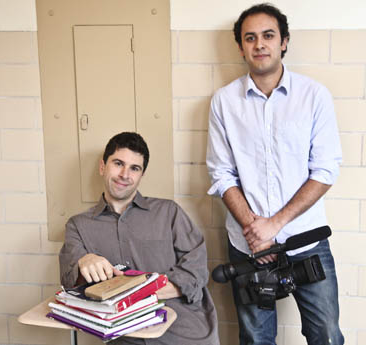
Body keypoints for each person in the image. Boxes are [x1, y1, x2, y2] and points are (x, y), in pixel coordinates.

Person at [206, 3, 344, 345]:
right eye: (249, 38)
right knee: (255, 339)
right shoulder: (224, 102)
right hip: (248, 246)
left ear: (284, 41)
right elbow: (221, 173)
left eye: (268, 35)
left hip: (305, 241)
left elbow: (325, 169)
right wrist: (256, 232)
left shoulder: (314, 97)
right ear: (240, 46)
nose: (259, 45)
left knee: (326, 336)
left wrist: (274, 225)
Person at [59, 132, 220, 345]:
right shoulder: (78, 225)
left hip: (182, 332)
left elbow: (196, 272)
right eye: (118, 163)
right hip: (124, 337)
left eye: (135, 168)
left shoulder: (169, 212)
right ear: (102, 167)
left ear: (141, 175)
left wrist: (135, 294)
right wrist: (83, 261)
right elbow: (69, 281)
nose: (125, 174)